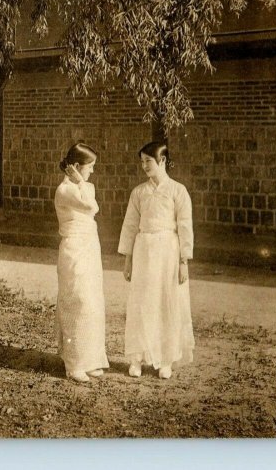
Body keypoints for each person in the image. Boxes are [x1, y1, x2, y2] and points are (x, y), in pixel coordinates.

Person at [118, 141, 195, 380]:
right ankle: (137, 358)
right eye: (141, 162)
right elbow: (130, 227)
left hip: (168, 253)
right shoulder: (139, 192)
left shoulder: (177, 191)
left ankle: (165, 359)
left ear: (162, 161)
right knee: (143, 302)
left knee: (166, 301)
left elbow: (185, 226)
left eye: (148, 162)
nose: (144, 166)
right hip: (144, 251)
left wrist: (184, 261)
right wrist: (128, 260)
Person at [54, 142, 109, 383]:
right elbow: (92, 206)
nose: (92, 172)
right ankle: (74, 363)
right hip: (73, 249)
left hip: (89, 247)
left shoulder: (86, 186)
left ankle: (91, 360)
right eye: (89, 167)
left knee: (93, 301)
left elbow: (90, 199)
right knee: (78, 300)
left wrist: (82, 182)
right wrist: (79, 181)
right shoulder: (65, 190)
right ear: (76, 167)